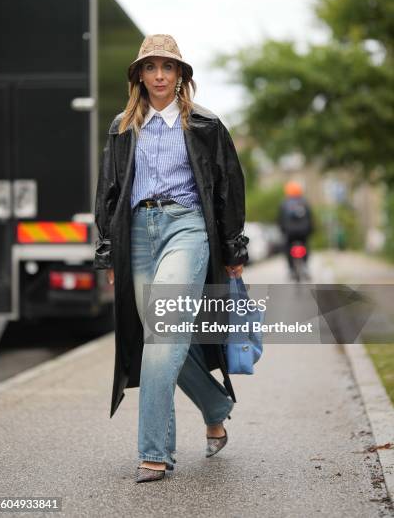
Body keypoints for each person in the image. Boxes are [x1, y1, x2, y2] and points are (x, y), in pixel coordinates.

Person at [94, 34, 249, 483]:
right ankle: (216, 406)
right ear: (139, 75)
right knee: (163, 341)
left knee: (164, 337)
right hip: (138, 235)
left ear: (181, 75)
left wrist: (233, 247)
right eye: (151, 67)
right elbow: (108, 191)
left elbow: (227, 187)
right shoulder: (122, 126)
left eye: (168, 67)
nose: (159, 75)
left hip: (187, 228)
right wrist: (108, 253)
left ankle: (154, 453)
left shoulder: (205, 125)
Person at [277, 181, 313, 280]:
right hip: (303, 232)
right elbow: (310, 218)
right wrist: (310, 230)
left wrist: (282, 230)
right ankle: (305, 266)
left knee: (287, 248)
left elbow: (280, 220)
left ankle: (291, 269)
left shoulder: (284, 203)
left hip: (290, 232)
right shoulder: (305, 202)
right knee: (305, 245)